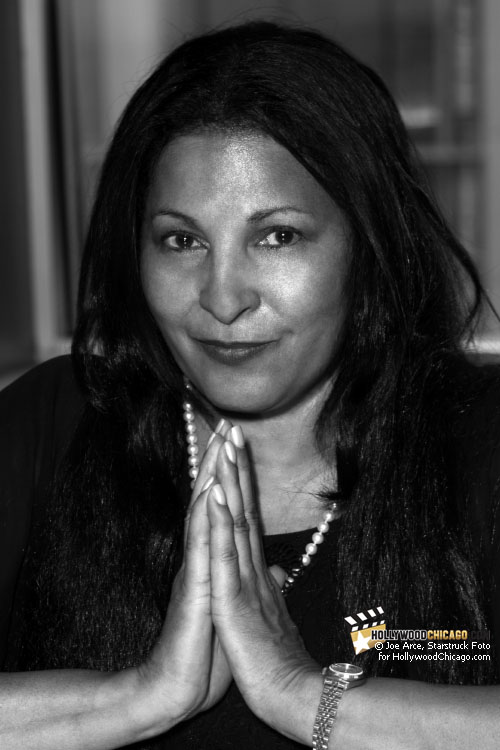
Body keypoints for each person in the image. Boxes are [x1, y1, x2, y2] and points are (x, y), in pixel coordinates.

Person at [1, 19, 499, 750]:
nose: (223, 297)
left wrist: (304, 697)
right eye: (182, 240)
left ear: (371, 248)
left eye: (278, 236)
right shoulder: (53, 422)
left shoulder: (481, 439)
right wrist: (132, 700)